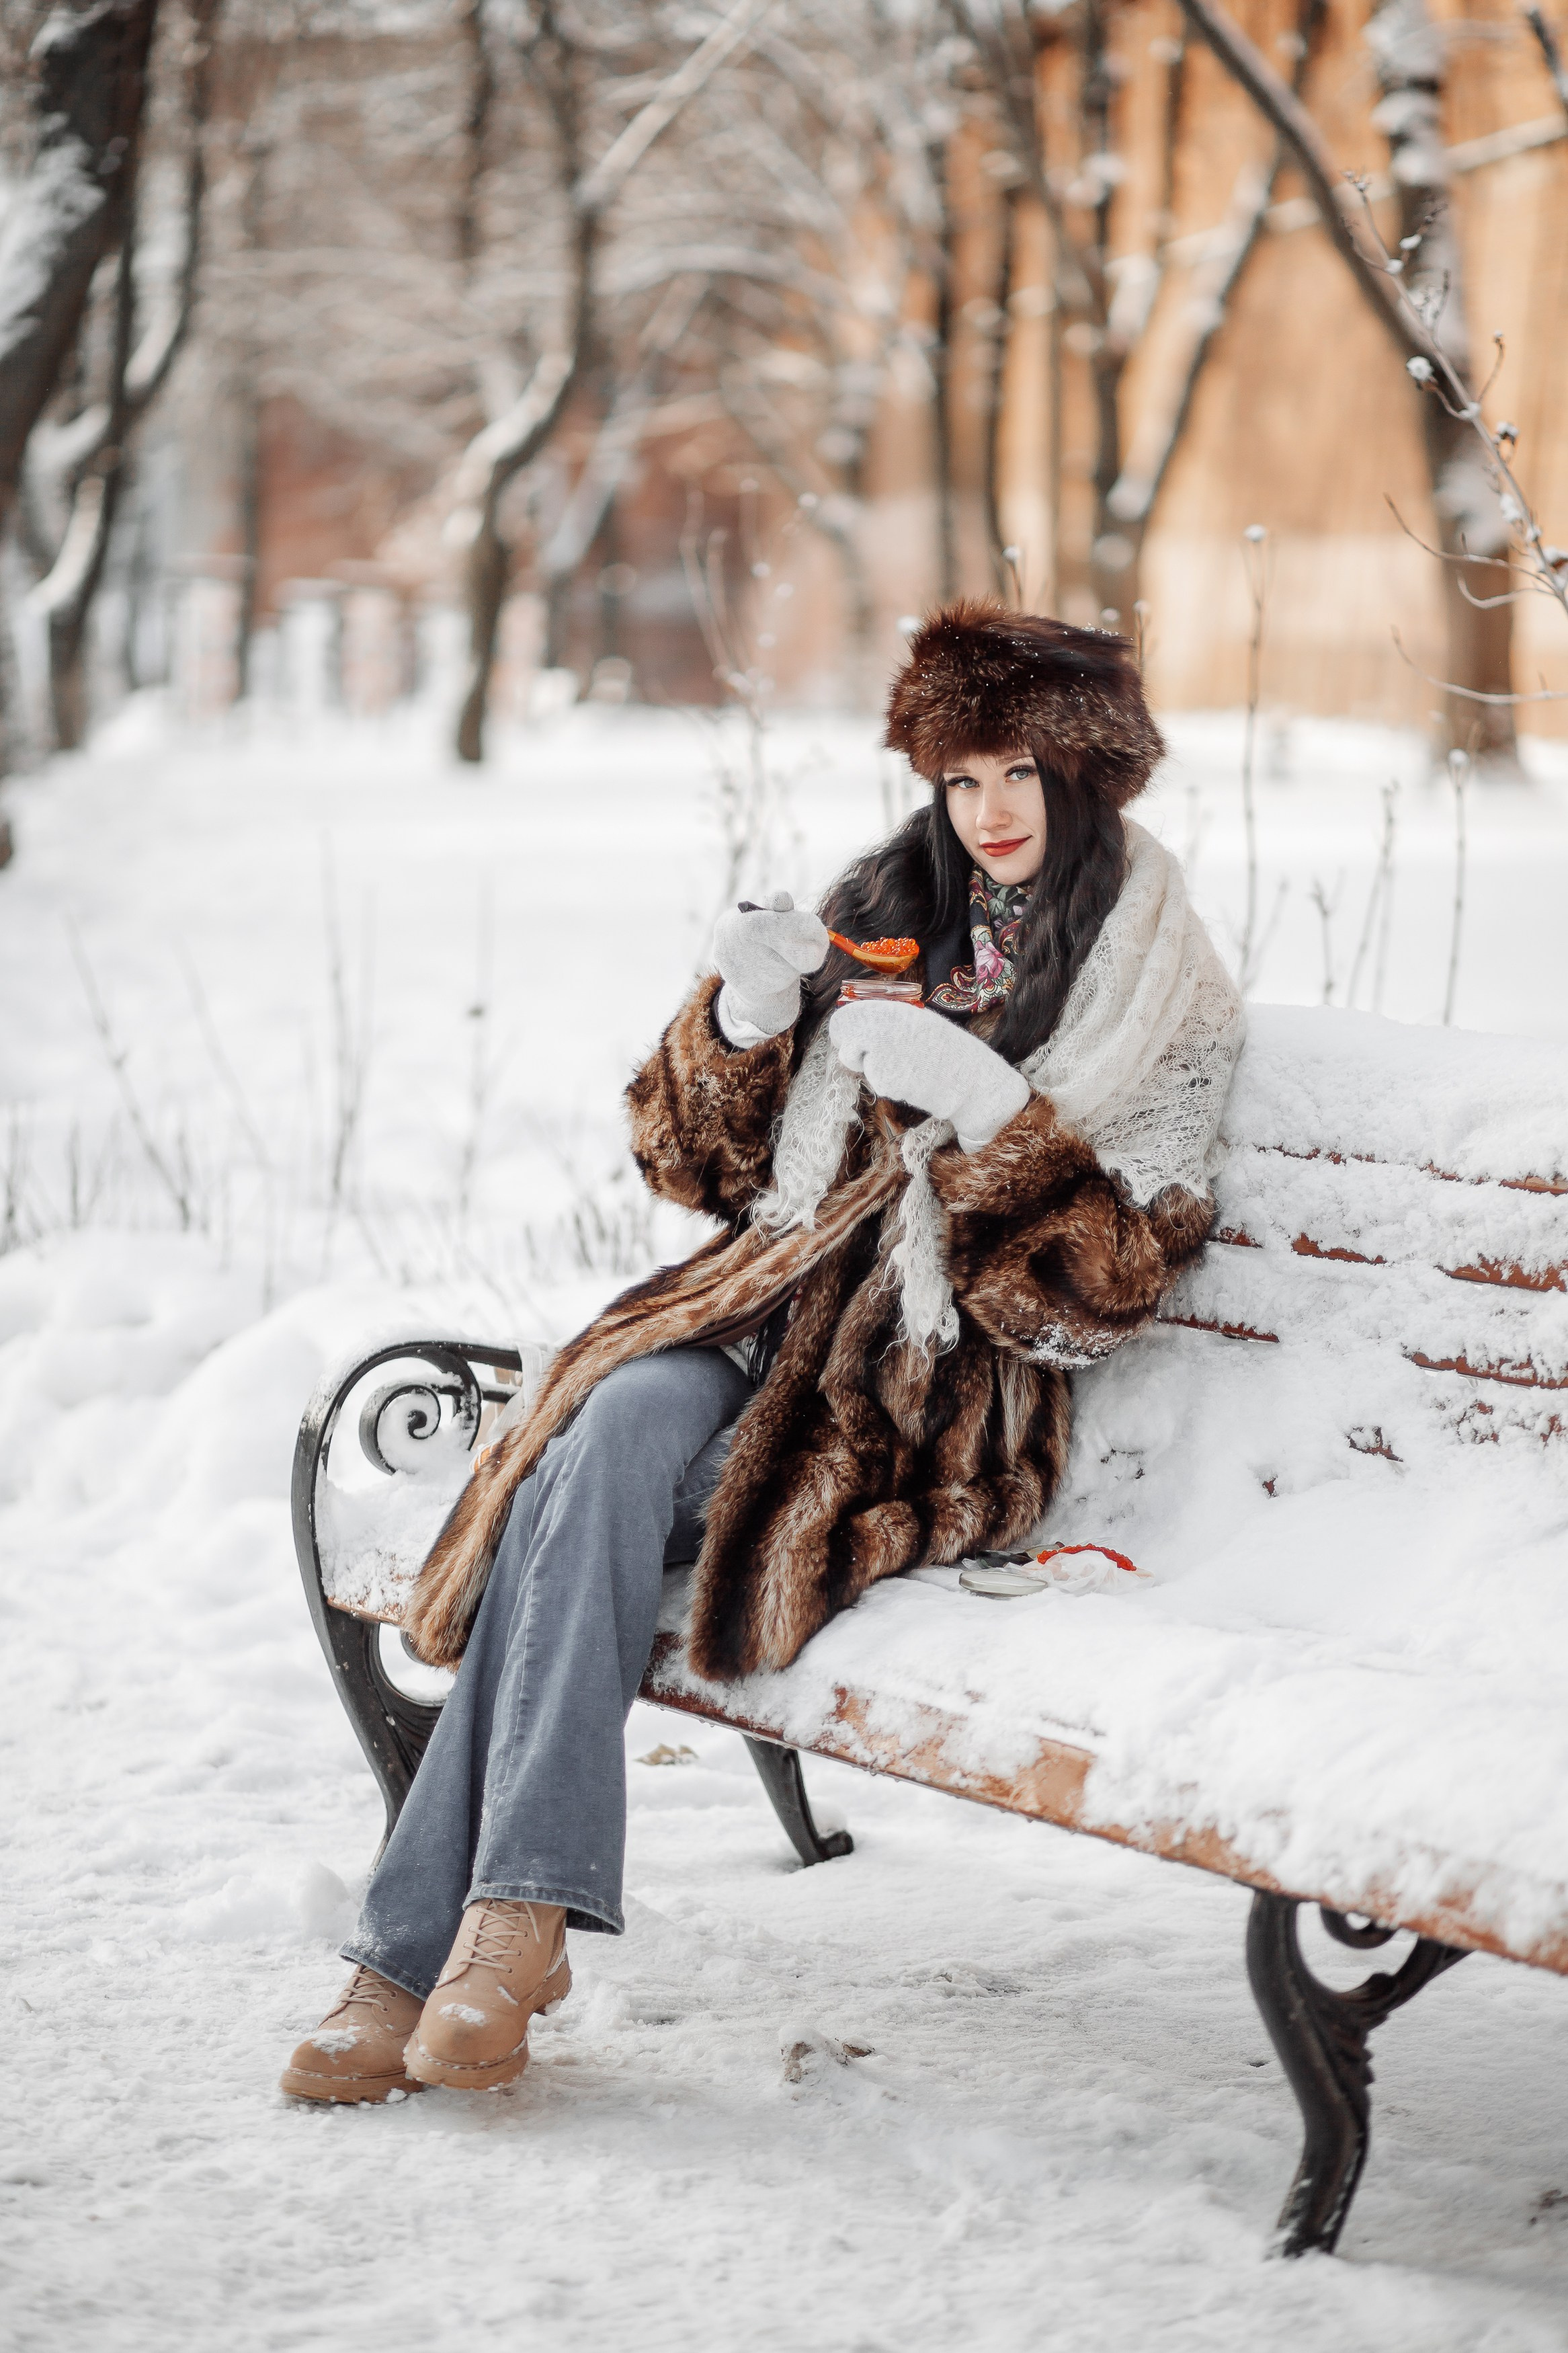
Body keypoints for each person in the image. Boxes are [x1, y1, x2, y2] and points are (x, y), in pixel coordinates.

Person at [280, 600, 1244, 2106]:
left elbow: (1097, 1296)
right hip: (751, 1312)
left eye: (1018, 777)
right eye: (962, 778)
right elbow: (703, 1165)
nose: (987, 814)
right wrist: (737, 1017)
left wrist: (997, 1121)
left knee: (557, 1504)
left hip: (920, 1391)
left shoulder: (1161, 984)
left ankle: (440, 1944)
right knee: (596, 1432)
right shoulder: (886, 900)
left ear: (1085, 774)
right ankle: (496, 1931)